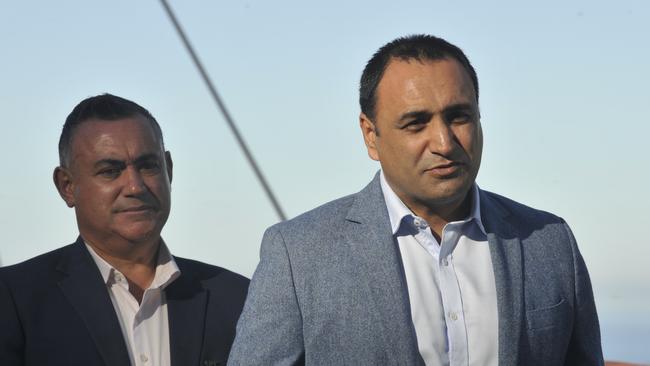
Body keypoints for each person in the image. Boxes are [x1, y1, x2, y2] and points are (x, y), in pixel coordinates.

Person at [229, 35, 603, 365]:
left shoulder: (549, 241)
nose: (443, 143)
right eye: (416, 123)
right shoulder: (299, 254)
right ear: (370, 135)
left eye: (459, 117)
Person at [0, 94, 249, 366]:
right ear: (67, 186)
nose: (135, 186)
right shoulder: (14, 300)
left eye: (148, 166)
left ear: (169, 169)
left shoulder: (239, 299)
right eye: (110, 171)